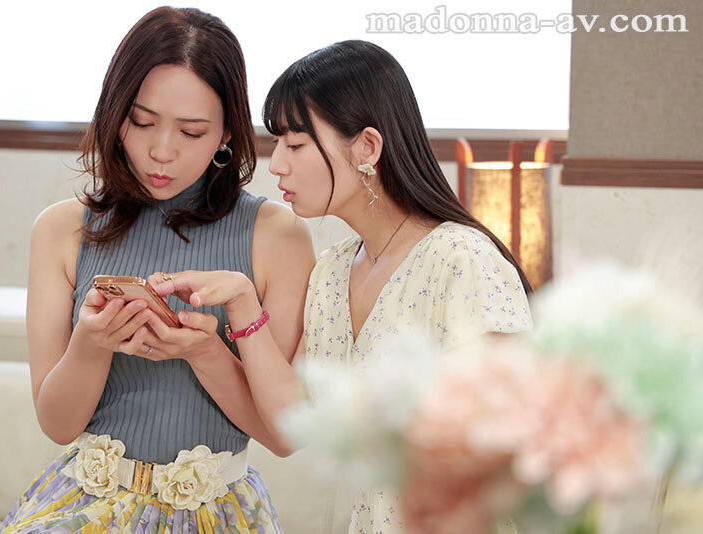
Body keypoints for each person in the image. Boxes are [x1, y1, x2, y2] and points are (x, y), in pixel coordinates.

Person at [153, 40, 533, 534]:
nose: (277, 164)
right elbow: (291, 422)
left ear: (367, 147)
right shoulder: (332, 271)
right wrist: (243, 302)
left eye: (295, 144)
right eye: (277, 143)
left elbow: (509, 449)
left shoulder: (461, 260)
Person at [1, 7, 314, 533]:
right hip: (85, 506)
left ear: (226, 134)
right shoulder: (60, 230)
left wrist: (204, 351)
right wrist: (91, 344)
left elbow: (283, 435)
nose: (161, 151)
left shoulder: (277, 236)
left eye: (191, 132)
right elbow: (57, 425)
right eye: (142, 122)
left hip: (216, 514)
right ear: (113, 111)